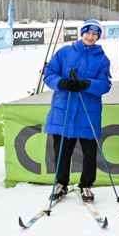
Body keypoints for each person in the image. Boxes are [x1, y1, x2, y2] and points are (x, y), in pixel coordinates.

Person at [43, 19, 113, 202]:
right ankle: (61, 183)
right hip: (64, 110)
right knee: (62, 151)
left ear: (98, 36)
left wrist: (87, 84)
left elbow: (105, 84)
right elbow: (49, 73)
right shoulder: (65, 52)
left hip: (87, 112)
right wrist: (62, 82)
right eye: (88, 33)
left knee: (89, 152)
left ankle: (87, 185)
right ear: (82, 33)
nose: (90, 37)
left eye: (95, 34)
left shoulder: (102, 58)